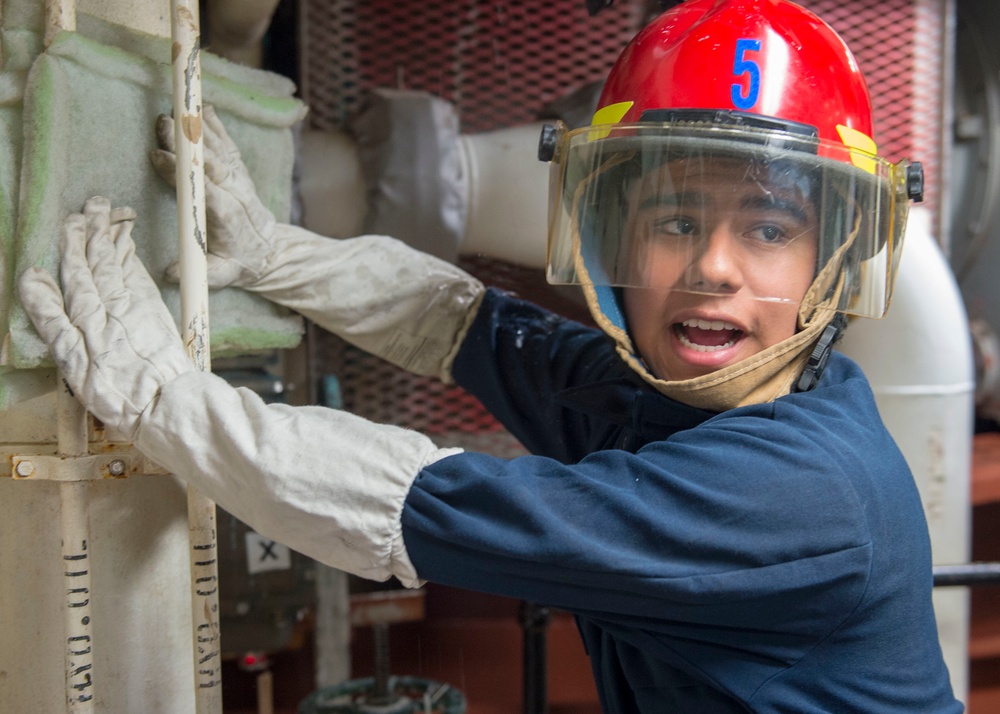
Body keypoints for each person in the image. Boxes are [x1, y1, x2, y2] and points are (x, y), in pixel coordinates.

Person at [18, 0, 961, 711]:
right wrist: (278, 254)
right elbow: (468, 324)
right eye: (676, 218)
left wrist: (167, 402)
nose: (712, 266)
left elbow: (419, 503)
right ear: (607, 236)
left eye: (767, 228)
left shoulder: (799, 498)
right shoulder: (685, 398)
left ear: (835, 258)